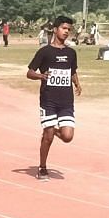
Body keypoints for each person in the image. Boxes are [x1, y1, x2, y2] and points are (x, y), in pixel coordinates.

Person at [27, 15, 83, 177]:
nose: (66, 32)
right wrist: (41, 76)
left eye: (69, 30)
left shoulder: (71, 53)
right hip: (48, 101)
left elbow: (72, 71)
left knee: (67, 136)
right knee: (48, 137)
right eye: (64, 28)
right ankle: (42, 166)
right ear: (55, 29)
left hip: (66, 101)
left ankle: (50, 130)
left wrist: (77, 83)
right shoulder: (45, 52)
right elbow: (29, 73)